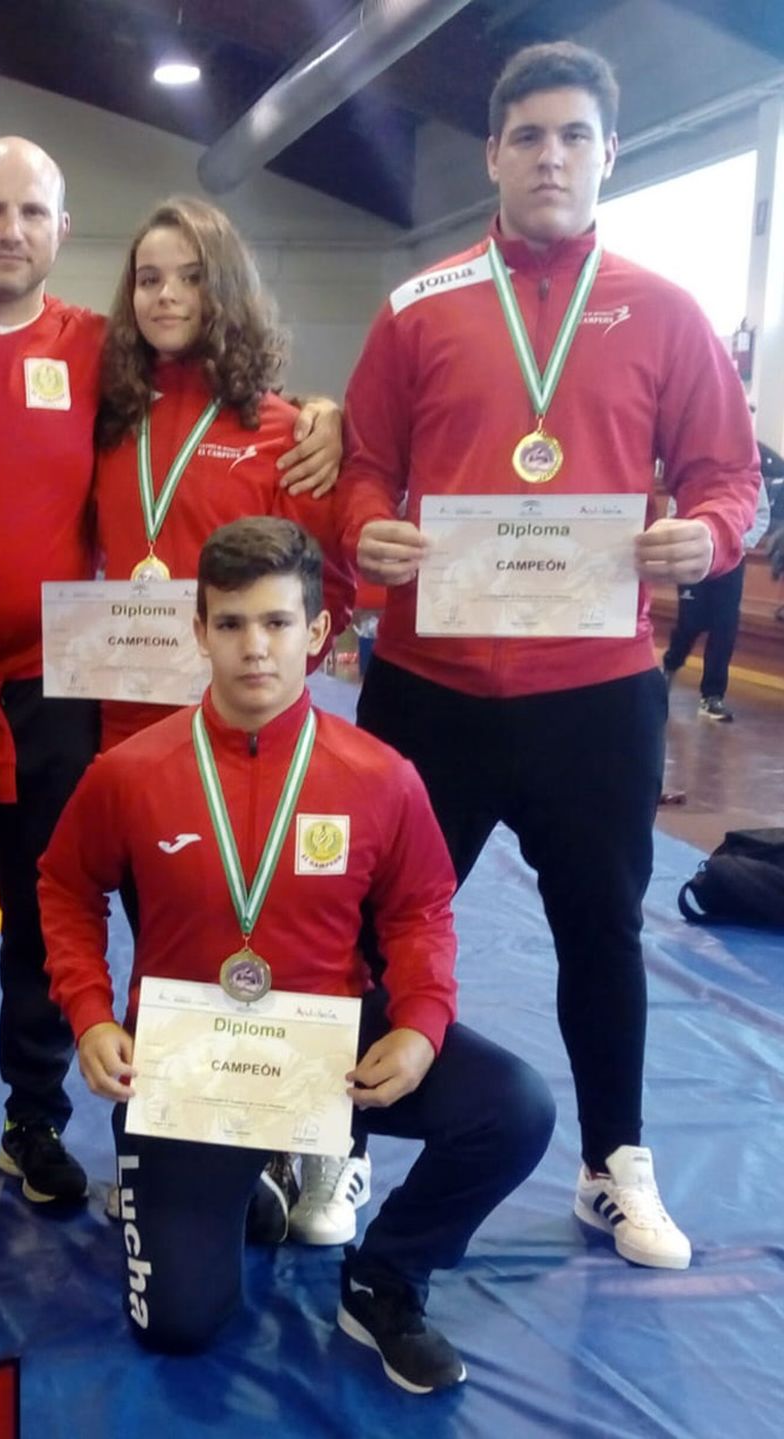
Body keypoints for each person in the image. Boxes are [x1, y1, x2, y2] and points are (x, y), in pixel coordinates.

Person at [0, 137, 342, 1208]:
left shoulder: (102, 355)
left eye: (31, 211)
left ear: (61, 230)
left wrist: (332, 419)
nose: (8, 229)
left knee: (45, 904)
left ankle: (34, 1117)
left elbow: (230, 382)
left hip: (56, 686)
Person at [340, 43, 760, 1270]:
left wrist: (712, 532)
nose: (550, 157)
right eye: (527, 136)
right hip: (430, 686)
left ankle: (609, 1160)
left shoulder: (667, 308)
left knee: (600, 930)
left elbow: (727, 477)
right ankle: (344, 1134)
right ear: (491, 154)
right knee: (369, 925)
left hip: (595, 692)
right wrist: (357, 525)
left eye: (574, 136)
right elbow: (362, 464)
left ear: (607, 153)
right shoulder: (417, 307)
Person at [39, 517, 554, 1394]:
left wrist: (424, 1023)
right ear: (198, 630)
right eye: (232, 623)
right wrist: (89, 1013)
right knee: (180, 1327)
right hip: (190, 1064)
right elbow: (63, 889)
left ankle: (384, 1277)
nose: (254, 648)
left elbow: (422, 908)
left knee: (515, 1108)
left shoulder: (381, 775)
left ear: (317, 634)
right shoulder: (130, 772)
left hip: (328, 1053)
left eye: (278, 624)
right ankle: (255, 1180)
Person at [92, 195, 356, 1241]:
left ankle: (303, 1134)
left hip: (256, 732)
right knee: (166, 933)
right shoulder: (106, 415)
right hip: (130, 727)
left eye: (190, 275)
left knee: (282, 922)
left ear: (227, 287)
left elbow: (323, 586)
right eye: (149, 276)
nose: (166, 294)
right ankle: (169, 1129)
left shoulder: (287, 431)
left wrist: (335, 421)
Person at [662, 472, 771, 721]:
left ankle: (712, 696)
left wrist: (738, 544)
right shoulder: (693, 466)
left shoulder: (750, 473)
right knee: (690, 622)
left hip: (731, 561)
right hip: (694, 560)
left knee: (725, 626)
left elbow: (760, 515)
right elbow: (674, 511)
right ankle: (670, 665)